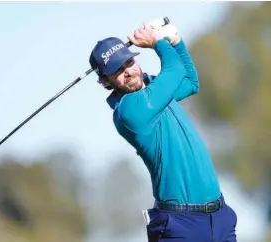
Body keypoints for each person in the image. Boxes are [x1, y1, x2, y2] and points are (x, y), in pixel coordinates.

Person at [88, 21, 238, 242]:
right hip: (181, 225)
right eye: (117, 71)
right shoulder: (130, 111)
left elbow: (189, 81)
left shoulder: (155, 91)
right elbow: (175, 70)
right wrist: (158, 42)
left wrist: (175, 41)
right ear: (104, 80)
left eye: (128, 62)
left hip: (220, 217)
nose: (128, 72)